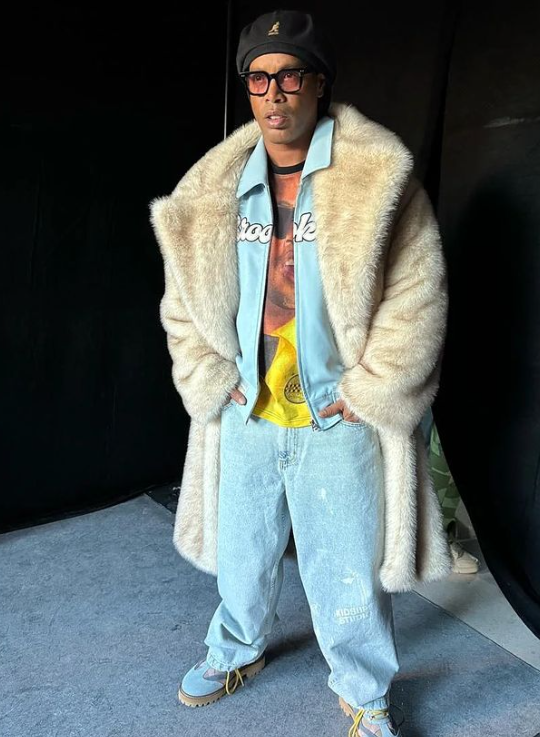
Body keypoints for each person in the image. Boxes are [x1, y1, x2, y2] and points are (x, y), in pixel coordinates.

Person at [149, 9, 452, 736]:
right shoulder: (212, 189)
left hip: (334, 412)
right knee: (243, 552)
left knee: (346, 565)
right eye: (259, 79)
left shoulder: (377, 182)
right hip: (247, 407)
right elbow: (183, 303)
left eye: (291, 76)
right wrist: (209, 374)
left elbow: (418, 296)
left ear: (319, 85)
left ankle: (364, 692)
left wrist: (370, 388)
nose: (274, 93)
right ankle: (236, 648)